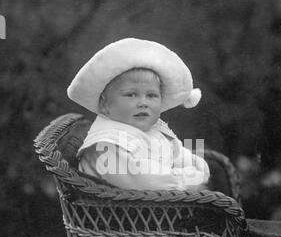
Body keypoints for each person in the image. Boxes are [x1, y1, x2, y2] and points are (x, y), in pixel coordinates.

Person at [67, 38, 210, 191]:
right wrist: (190, 180)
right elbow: (146, 181)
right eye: (131, 95)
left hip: (160, 209)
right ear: (105, 104)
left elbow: (182, 157)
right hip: (119, 212)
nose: (143, 103)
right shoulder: (107, 143)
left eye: (151, 95)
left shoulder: (154, 131)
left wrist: (198, 169)